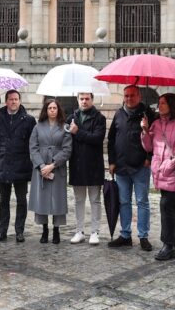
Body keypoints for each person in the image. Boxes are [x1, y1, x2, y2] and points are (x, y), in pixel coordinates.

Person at [142, 93, 175, 261]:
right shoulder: (157, 123)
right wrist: (145, 131)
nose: (160, 105)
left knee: (166, 205)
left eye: (163, 103)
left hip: (173, 171)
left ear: (171, 104)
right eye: (159, 103)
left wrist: (174, 160)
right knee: (170, 207)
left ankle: (168, 244)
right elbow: (149, 147)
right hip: (160, 171)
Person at [107, 85, 157, 250]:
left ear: (139, 96)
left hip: (140, 166)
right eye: (126, 95)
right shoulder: (119, 114)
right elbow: (111, 139)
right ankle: (125, 234)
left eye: (132, 95)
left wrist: (149, 157)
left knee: (142, 201)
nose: (129, 98)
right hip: (121, 166)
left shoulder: (147, 114)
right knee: (124, 202)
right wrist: (112, 161)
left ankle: (143, 236)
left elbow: (155, 139)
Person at [0, 90, 37, 243]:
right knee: (4, 200)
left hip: (21, 163)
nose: (14, 102)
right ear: (6, 101)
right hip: (3, 163)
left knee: (21, 200)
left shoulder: (29, 120)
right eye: (11, 99)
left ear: (20, 101)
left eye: (16, 99)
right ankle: (2, 230)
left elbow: (32, 142)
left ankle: (19, 231)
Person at [29, 99, 73, 244]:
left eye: (55, 108)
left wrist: (52, 165)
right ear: (46, 110)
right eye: (50, 108)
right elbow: (33, 148)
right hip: (40, 169)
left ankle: (56, 230)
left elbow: (67, 150)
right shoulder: (37, 127)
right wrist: (42, 166)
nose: (52, 110)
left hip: (57, 168)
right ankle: (44, 229)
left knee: (57, 200)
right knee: (42, 199)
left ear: (58, 110)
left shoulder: (65, 127)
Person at [66, 92, 106, 245]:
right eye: (81, 99)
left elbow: (97, 139)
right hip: (76, 163)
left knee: (95, 200)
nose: (84, 101)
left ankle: (95, 231)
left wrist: (78, 132)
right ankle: (79, 231)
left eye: (87, 99)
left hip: (94, 164)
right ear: (77, 100)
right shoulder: (72, 118)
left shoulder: (99, 118)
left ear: (92, 100)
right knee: (78, 200)